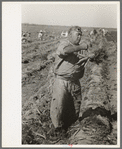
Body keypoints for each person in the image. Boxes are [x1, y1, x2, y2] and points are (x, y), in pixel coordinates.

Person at [50, 26, 93, 133]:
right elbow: (64, 51)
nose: (79, 37)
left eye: (80, 35)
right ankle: (58, 129)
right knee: (59, 105)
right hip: (62, 81)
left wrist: (91, 56)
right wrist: (82, 47)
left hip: (75, 81)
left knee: (75, 104)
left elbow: (85, 58)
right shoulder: (65, 44)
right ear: (70, 35)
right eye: (77, 34)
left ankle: (72, 127)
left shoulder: (80, 48)